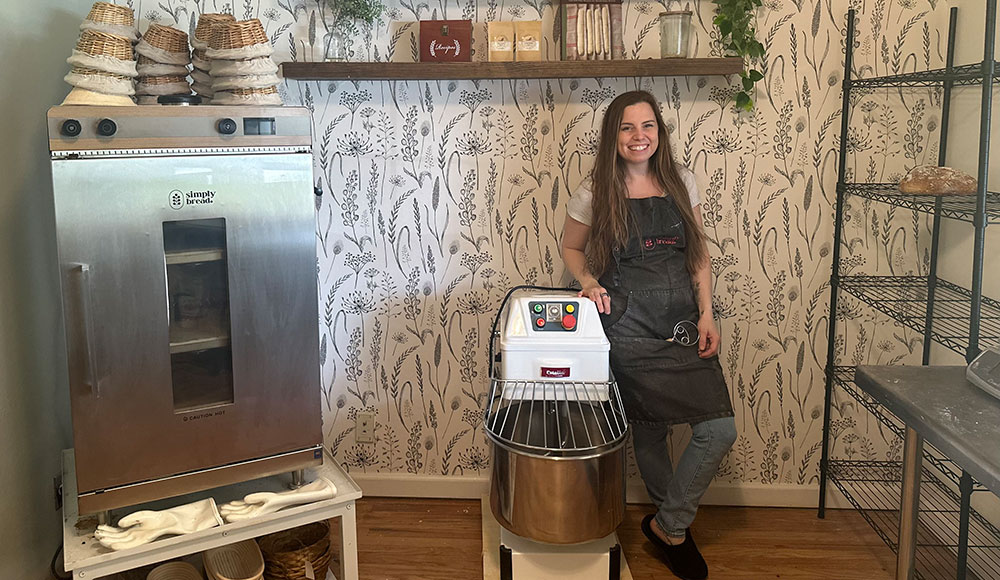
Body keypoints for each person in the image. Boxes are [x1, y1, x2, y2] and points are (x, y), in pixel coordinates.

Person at [561, 90, 736, 580]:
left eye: (648, 127)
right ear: (613, 137)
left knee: (718, 429)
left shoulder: (682, 182)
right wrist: (590, 283)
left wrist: (707, 312)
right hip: (629, 326)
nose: (639, 137)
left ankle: (668, 523)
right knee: (651, 428)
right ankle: (673, 531)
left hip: (683, 323)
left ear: (659, 133)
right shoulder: (596, 192)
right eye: (627, 128)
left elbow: (698, 255)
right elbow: (571, 247)